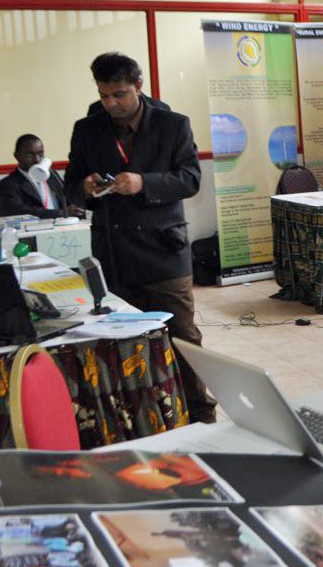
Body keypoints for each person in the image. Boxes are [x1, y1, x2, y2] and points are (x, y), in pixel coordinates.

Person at [64, 52, 216, 424]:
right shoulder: (87, 128)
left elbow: (191, 179)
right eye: (104, 96)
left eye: (119, 94)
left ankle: (200, 414)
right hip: (114, 254)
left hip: (163, 251)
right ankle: (138, 416)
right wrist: (83, 187)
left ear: (138, 86)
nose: (111, 103)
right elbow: (70, 185)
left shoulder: (172, 124)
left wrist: (144, 182)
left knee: (181, 338)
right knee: (124, 343)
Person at [0, 134, 84, 219]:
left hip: (62, 226)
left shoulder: (51, 176)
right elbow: (18, 210)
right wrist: (60, 213)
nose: (37, 160)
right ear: (17, 156)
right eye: (30, 155)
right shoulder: (8, 184)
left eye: (40, 154)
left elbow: (66, 198)